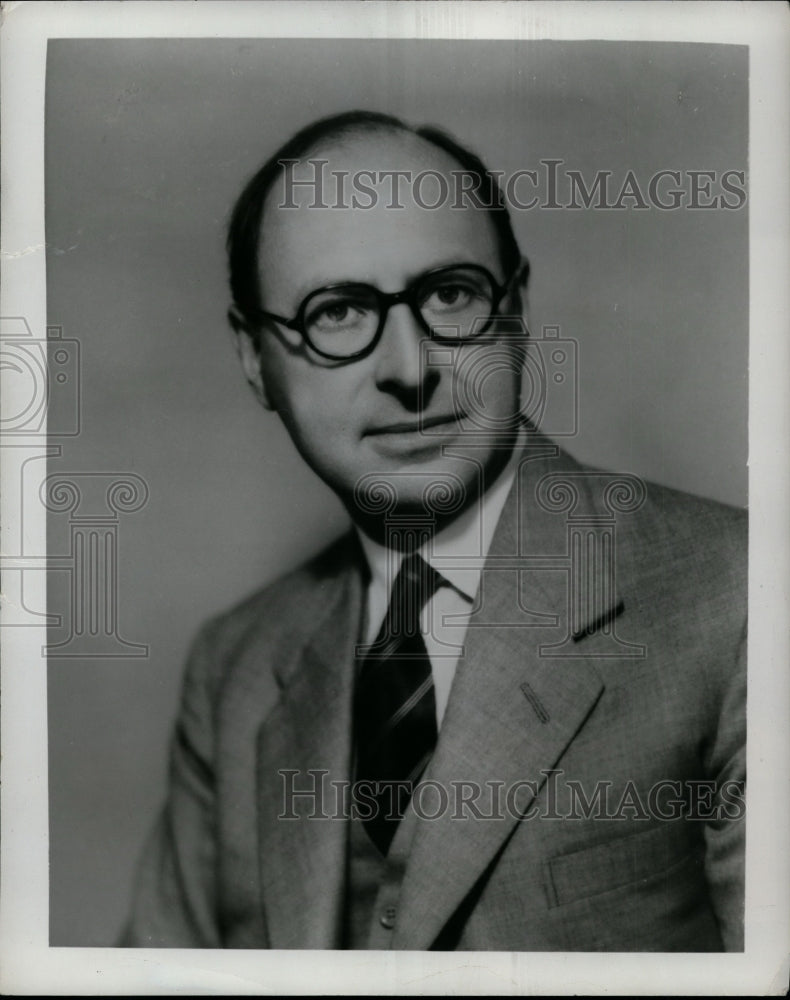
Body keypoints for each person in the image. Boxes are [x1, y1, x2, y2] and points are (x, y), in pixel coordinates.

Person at [122, 110, 746, 951]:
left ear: (516, 310)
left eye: (451, 294)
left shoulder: (738, 598)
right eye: (337, 311)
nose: (411, 370)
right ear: (252, 361)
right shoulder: (233, 667)